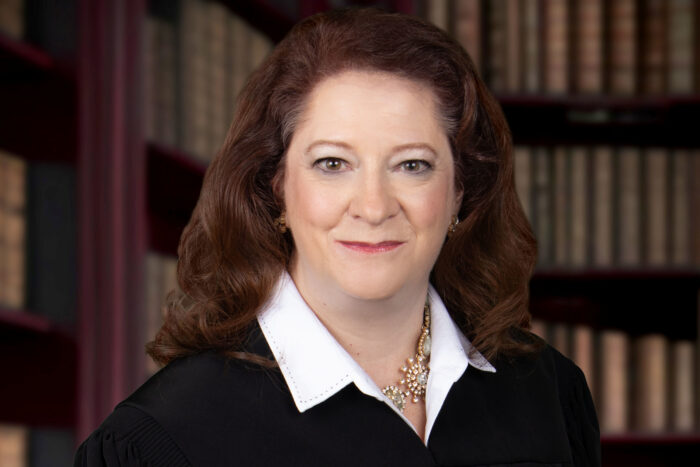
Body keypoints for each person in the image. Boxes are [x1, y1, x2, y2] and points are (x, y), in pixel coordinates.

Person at [75, 7, 600, 466]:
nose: (373, 207)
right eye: (332, 164)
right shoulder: (167, 437)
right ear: (276, 187)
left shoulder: (547, 392)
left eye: (412, 165)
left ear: (461, 191)